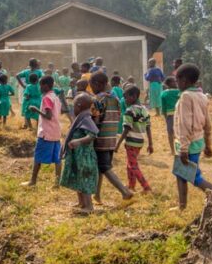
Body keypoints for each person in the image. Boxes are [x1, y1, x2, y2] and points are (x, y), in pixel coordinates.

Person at [174, 63, 212, 210]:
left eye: (177, 80)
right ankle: (182, 207)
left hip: (187, 144)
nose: (176, 83)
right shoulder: (202, 96)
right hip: (197, 142)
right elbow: (207, 123)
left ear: (184, 81)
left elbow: (184, 124)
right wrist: (208, 144)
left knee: (194, 177)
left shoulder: (186, 96)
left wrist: (183, 148)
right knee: (181, 174)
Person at [90, 72, 135, 207]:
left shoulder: (97, 100)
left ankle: (124, 191)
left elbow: (94, 120)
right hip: (111, 138)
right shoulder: (115, 99)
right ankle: (97, 195)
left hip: (100, 139)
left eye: (91, 85)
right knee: (100, 168)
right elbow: (117, 116)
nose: (91, 88)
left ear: (97, 84)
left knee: (105, 168)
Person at [59, 93, 99, 214]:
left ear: (79, 106)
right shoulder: (81, 118)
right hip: (78, 156)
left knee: (84, 179)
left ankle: (89, 206)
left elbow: (92, 135)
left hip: (85, 157)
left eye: (74, 106)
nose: (73, 108)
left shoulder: (86, 118)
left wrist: (78, 141)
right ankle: (81, 203)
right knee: (78, 178)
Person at [23, 76, 62, 186]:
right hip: (56, 132)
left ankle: (33, 181)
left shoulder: (46, 98)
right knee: (57, 159)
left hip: (46, 132)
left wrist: (36, 110)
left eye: (40, 85)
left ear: (45, 85)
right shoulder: (55, 96)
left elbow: (48, 116)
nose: (39, 87)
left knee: (38, 157)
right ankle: (57, 182)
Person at [115, 85, 153, 194]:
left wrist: (118, 144)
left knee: (133, 165)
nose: (125, 100)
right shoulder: (144, 109)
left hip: (131, 142)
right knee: (129, 164)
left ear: (134, 96)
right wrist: (150, 144)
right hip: (140, 142)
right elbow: (148, 127)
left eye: (126, 97)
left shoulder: (129, 111)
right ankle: (131, 186)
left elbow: (127, 128)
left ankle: (146, 187)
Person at [161, 76, 181, 155]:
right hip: (179, 115)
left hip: (170, 116)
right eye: (174, 81)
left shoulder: (164, 93)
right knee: (179, 133)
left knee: (170, 133)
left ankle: (172, 150)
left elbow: (164, 108)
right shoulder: (179, 92)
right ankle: (178, 149)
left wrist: (165, 118)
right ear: (169, 83)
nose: (176, 83)